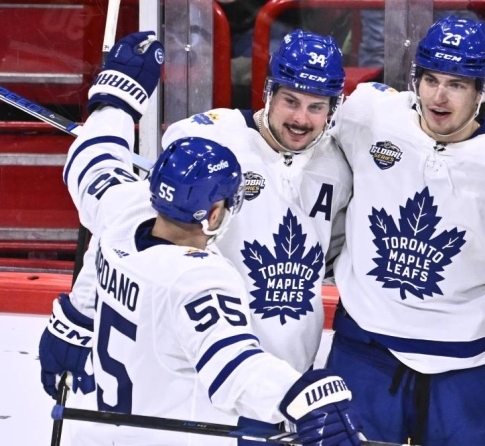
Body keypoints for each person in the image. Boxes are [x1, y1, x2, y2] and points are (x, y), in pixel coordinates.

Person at [51, 31, 362, 446]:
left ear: (333, 108)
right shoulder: (210, 141)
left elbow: (112, 211)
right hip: (220, 386)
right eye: (290, 101)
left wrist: (115, 101)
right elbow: (131, 221)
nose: (301, 119)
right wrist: (81, 311)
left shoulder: (338, 166)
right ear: (268, 91)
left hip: (288, 381)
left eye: (316, 106)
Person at [325, 16, 485, 446]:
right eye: (431, 80)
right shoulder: (369, 115)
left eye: (456, 84)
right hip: (365, 347)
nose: (439, 96)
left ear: (482, 90)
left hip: (463, 359)